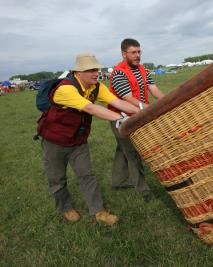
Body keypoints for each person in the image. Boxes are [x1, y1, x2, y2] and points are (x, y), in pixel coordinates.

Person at [37, 53, 139, 225]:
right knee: (57, 178)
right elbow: (91, 108)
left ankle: (99, 212)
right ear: (78, 72)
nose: (95, 73)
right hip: (54, 141)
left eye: (96, 69)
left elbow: (117, 102)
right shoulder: (66, 89)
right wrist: (121, 119)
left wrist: (142, 112)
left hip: (78, 141)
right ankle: (66, 208)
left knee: (87, 175)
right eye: (90, 70)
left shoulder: (96, 87)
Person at [108, 38, 165, 202]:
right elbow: (128, 98)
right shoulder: (118, 72)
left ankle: (117, 181)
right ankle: (144, 191)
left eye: (139, 51)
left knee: (123, 149)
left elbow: (153, 89)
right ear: (123, 53)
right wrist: (149, 109)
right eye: (133, 52)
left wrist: (168, 101)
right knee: (133, 152)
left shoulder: (143, 69)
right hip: (120, 118)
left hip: (136, 114)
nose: (137, 55)